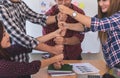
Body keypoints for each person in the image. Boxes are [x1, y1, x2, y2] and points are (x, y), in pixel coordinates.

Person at [58, 0, 120, 77]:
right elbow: (84, 27)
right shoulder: (103, 16)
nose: (100, 4)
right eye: (99, 1)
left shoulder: (118, 17)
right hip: (113, 68)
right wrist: (67, 26)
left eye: (104, 0)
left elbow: (97, 24)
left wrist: (70, 12)